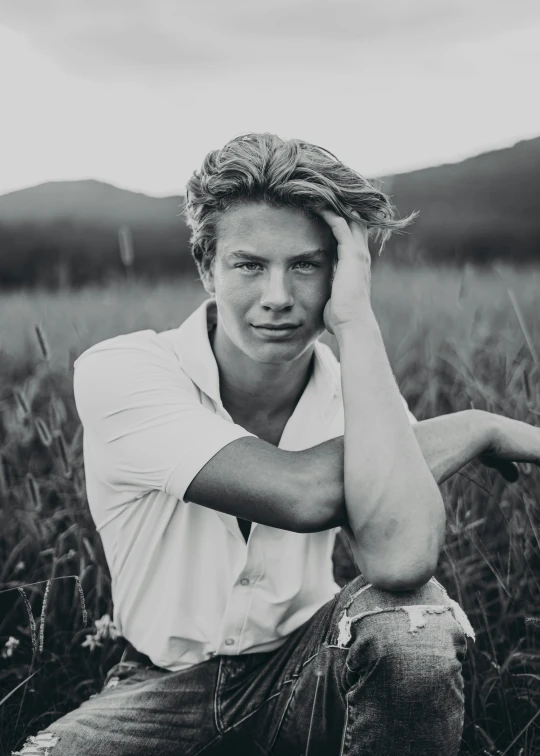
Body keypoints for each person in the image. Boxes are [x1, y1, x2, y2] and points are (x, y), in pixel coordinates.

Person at [17, 133, 540, 756]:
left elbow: (401, 561)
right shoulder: (123, 370)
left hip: (309, 667)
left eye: (306, 265)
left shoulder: (362, 396)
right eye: (249, 265)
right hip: (158, 687)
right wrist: (477, 426)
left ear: (342, 273)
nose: (277, 297)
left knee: (412, 624)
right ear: (205, 267)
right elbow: (299, 492)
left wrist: (357, 323)